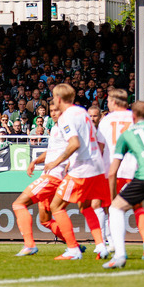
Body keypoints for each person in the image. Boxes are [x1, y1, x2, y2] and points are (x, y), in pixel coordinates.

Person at [45, 83, 107, 260]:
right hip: (97, 165)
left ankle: (73, 249)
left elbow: (74, 144)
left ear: (58, 99)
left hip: (82, 168)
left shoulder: (66, 117)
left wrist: (55, 162)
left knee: (55, 206)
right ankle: (101, 246)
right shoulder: (82, 112)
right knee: (86, 206)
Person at [97, 89, 144, 259]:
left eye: (108, 101)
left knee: (105, 207)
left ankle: (106, 245)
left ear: (113, 102)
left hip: (111, 169)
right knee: (138, 207)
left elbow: (100, 147)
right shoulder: (134, 117)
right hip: (134, 168)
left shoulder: (106, 120)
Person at [11, 105, 72, 256]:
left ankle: (30, 245)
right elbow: (51, 151)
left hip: (53, 176)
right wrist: (35, 161)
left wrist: (69, 162)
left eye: (56, 110)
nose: (53, 113)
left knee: (18, 204)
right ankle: (73, 245)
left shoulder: (66, 127)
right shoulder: (56, 129)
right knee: (45, 220)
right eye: (51, 111)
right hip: (51, 175)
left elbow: (76, 145)